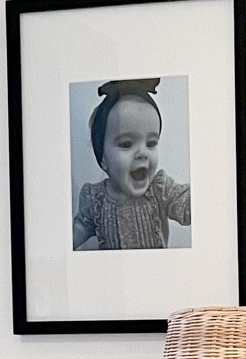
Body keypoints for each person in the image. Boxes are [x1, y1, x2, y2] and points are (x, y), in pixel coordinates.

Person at [72, 77, 191, 249]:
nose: (142, 153)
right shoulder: (94, 199)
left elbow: (188, 203)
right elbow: (77, 230)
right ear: (103, 159)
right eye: (126, 144)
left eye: (151, 143)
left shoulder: (160, 190)